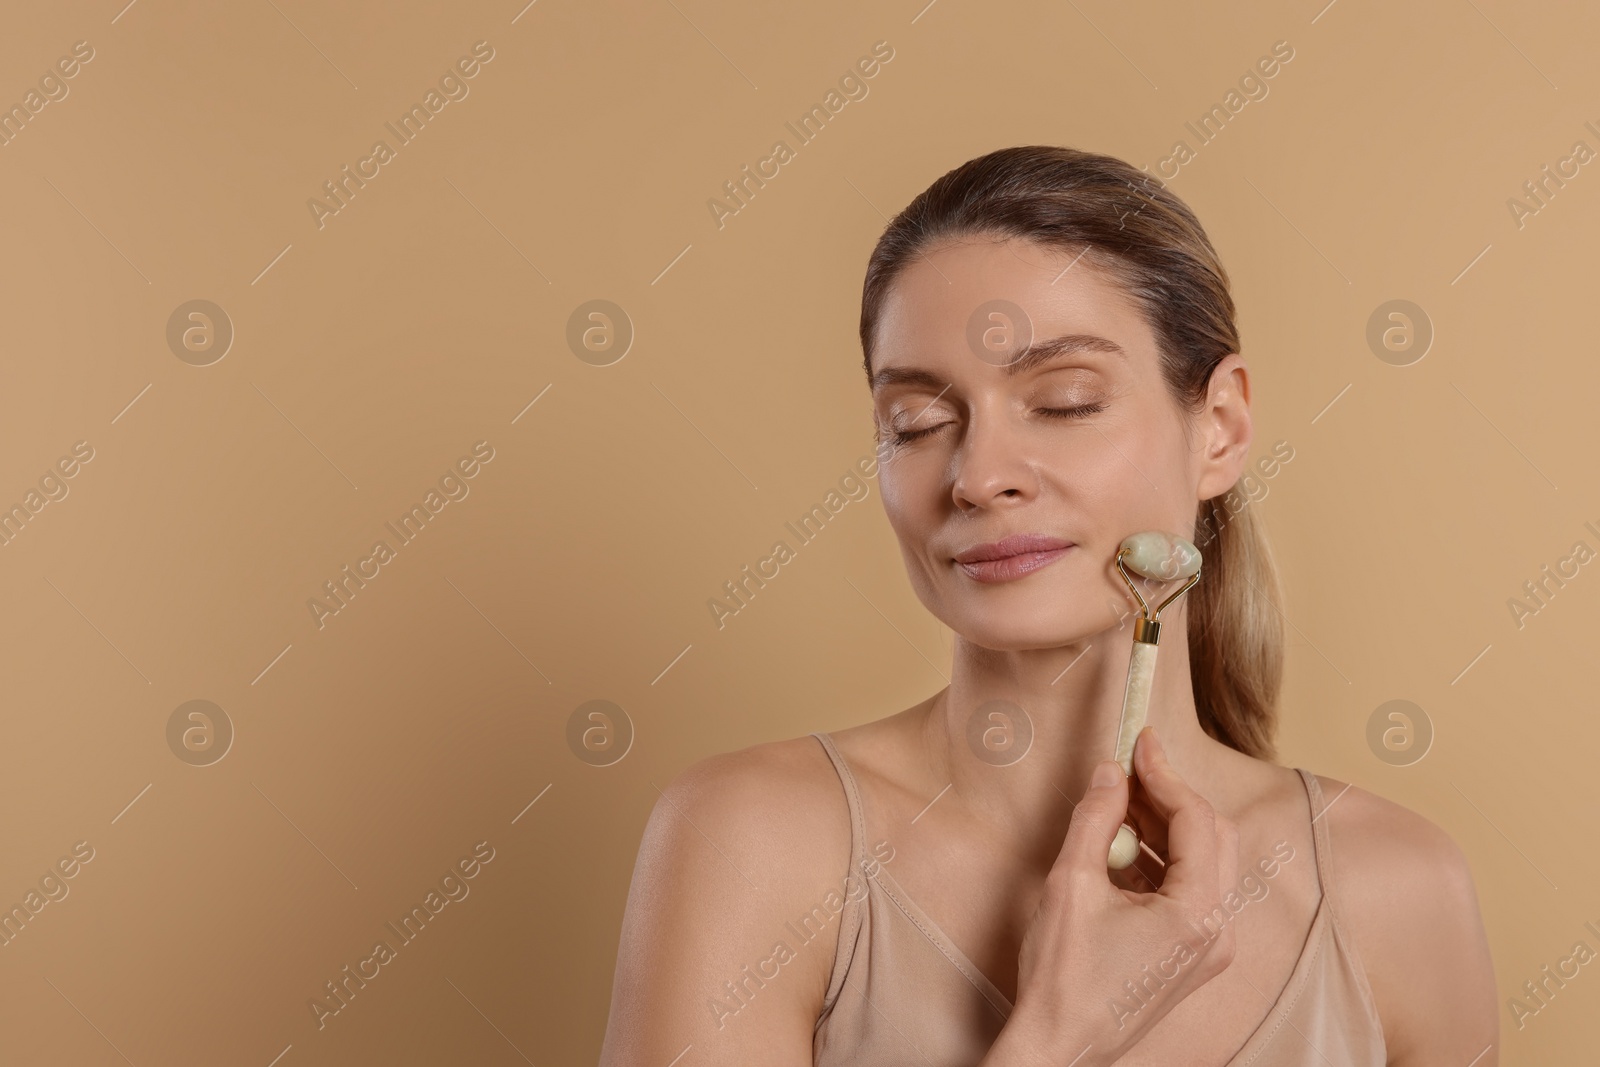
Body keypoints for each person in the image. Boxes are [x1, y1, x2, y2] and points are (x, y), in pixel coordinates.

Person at [597, 145, 1498, 1066]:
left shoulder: (1396, 888)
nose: (979, 477)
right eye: (916, 422)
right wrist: (1064, 1035)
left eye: (1063, 402)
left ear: (1220, 428)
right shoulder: (756, 842)